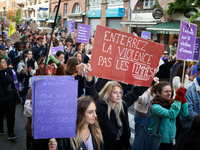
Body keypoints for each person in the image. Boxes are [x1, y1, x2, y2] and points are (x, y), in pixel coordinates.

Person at [85, 66, 148, 150]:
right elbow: (92, 94)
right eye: (115, 92)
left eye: (120, 92)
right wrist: (89, 80)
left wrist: (149, 77)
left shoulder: (123, 104)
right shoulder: (101, 106)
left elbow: (136, 92)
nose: (118, 95)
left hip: (123, 146)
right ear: (108, 93)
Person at [148, 82, 188, 150]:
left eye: (170, 91)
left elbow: (184, 113)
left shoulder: (172, 102)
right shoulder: (155, 107)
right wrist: (178, 98)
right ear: (158, 93)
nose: (169, 93)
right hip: (159, 140)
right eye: (166, 91)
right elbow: (171, 114)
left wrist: (182, 98)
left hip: (170, 139)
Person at [23, 64, 55, 150]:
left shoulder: (57, 89)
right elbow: (27, 112)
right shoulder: (33, 89)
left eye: (51, 75)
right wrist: (33, 103)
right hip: (35, 130)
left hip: (51, 131)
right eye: (47, 75)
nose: (49, 77)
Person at [0, 57, 18, 140]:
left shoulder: (10, 71)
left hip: (10, 98)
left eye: (5, 61)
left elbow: (14, 82)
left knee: (11, 116)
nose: (5, 63)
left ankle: (11, 133)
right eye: (3, 62)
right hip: (1, 99)